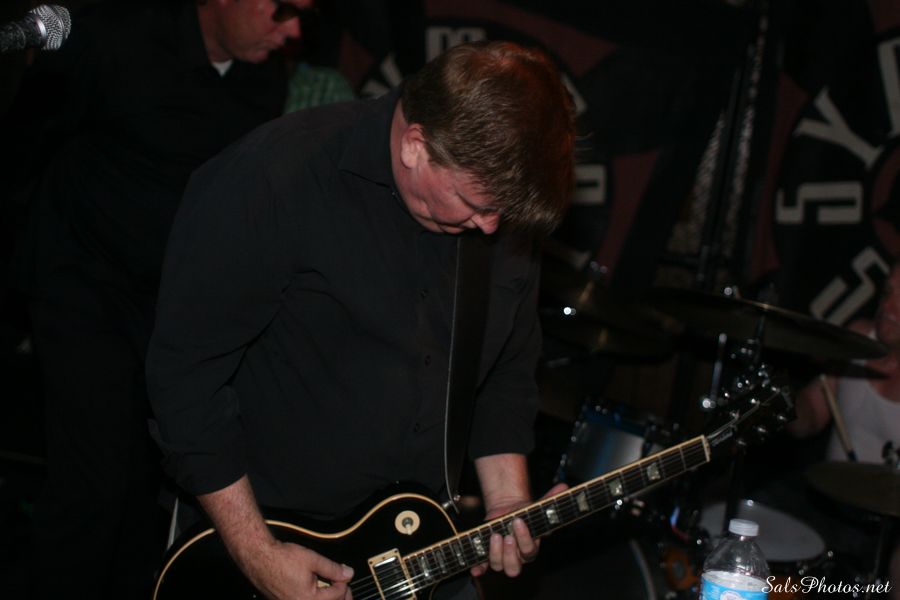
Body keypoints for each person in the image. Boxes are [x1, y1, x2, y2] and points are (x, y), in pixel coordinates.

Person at [147, 40, 576, 599]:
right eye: (476, 205)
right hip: (264, 540)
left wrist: (507, 502)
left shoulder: (496, 208)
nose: (490, 227)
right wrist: (258, 554)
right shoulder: (275, 176)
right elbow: (184, 381)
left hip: (422, 547)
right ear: (416, 146)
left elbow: (505, 373)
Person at [2, 0, 312, 597]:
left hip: (169, 305)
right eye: (282, 9)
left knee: (150, 481)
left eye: (305, 15)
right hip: (81, 286)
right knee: (91, 479)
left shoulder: (262, 80)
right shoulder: (117, 38)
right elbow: (24, 145)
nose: (293, 30)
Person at [788, 262, 900, 598]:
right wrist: (782, 405)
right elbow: (811, 416)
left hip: (886, 530)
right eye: (888, 291)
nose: (887, 306)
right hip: (826, 504)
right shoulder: (857, 339)